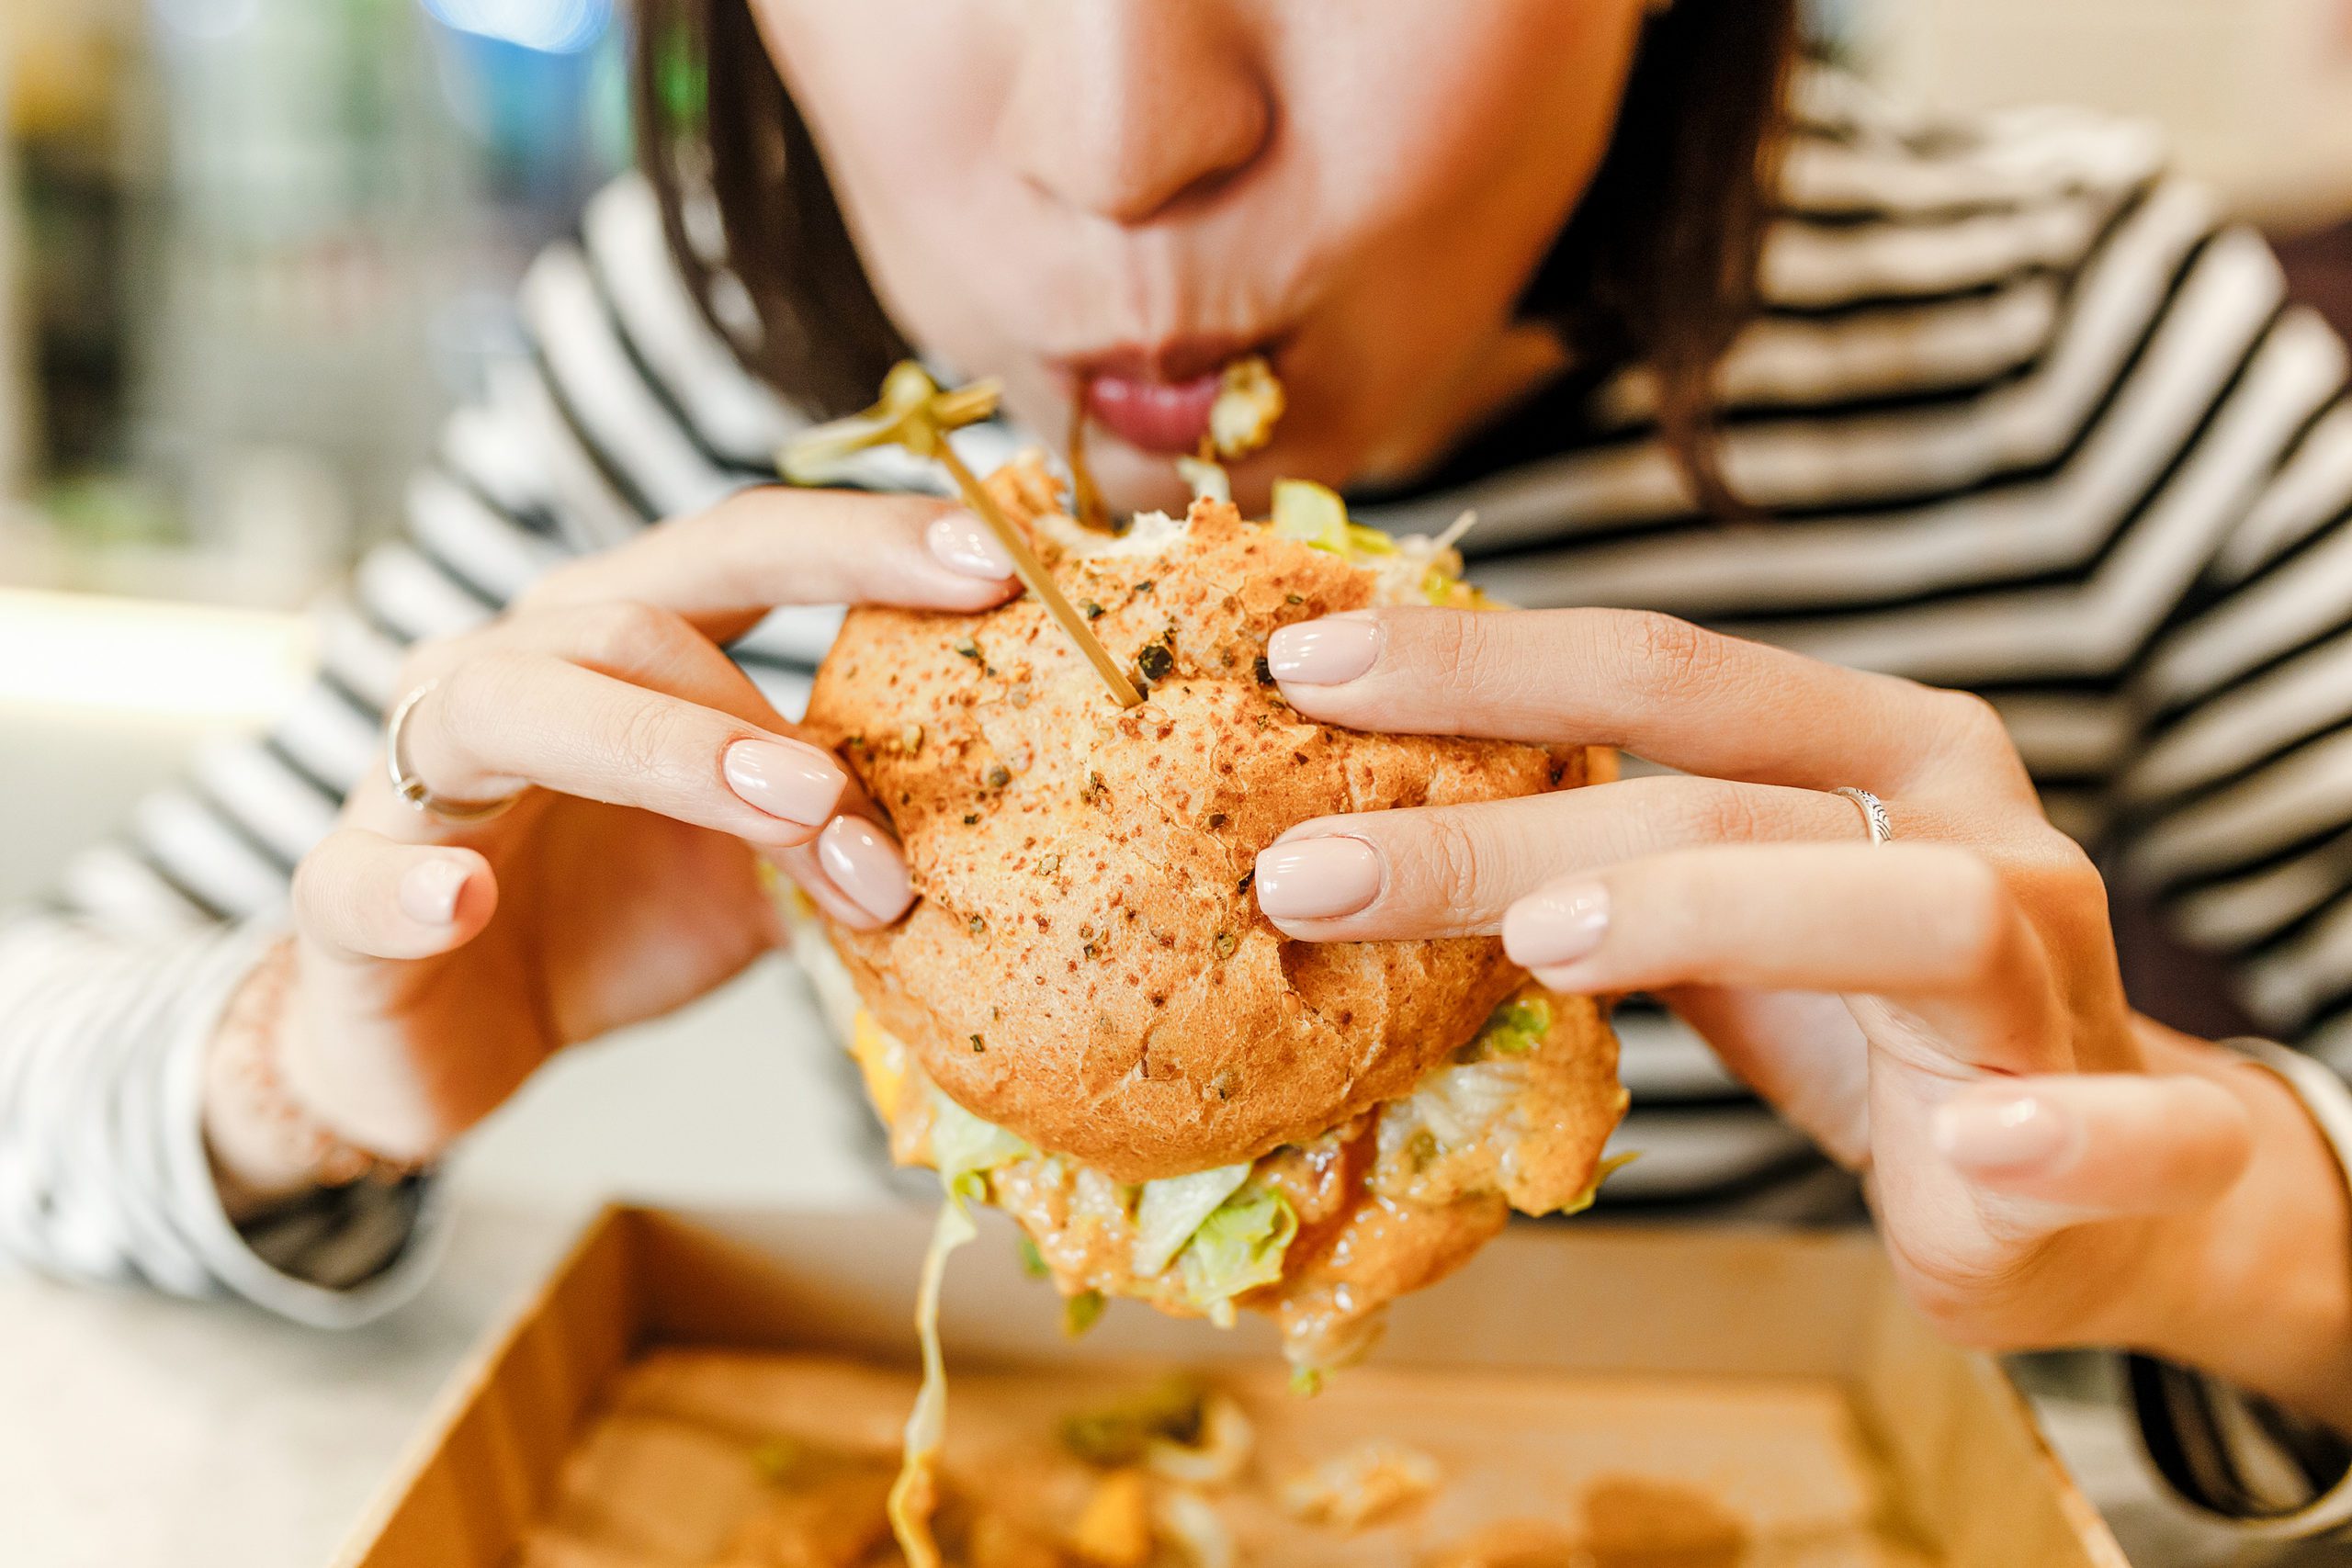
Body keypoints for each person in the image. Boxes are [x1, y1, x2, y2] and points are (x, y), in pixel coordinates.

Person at [4, 0, 2350, 1531]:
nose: (1125, 145)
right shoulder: (706, 374)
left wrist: (2231, 1227)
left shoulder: (2069, 343)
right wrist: (310, 1058)